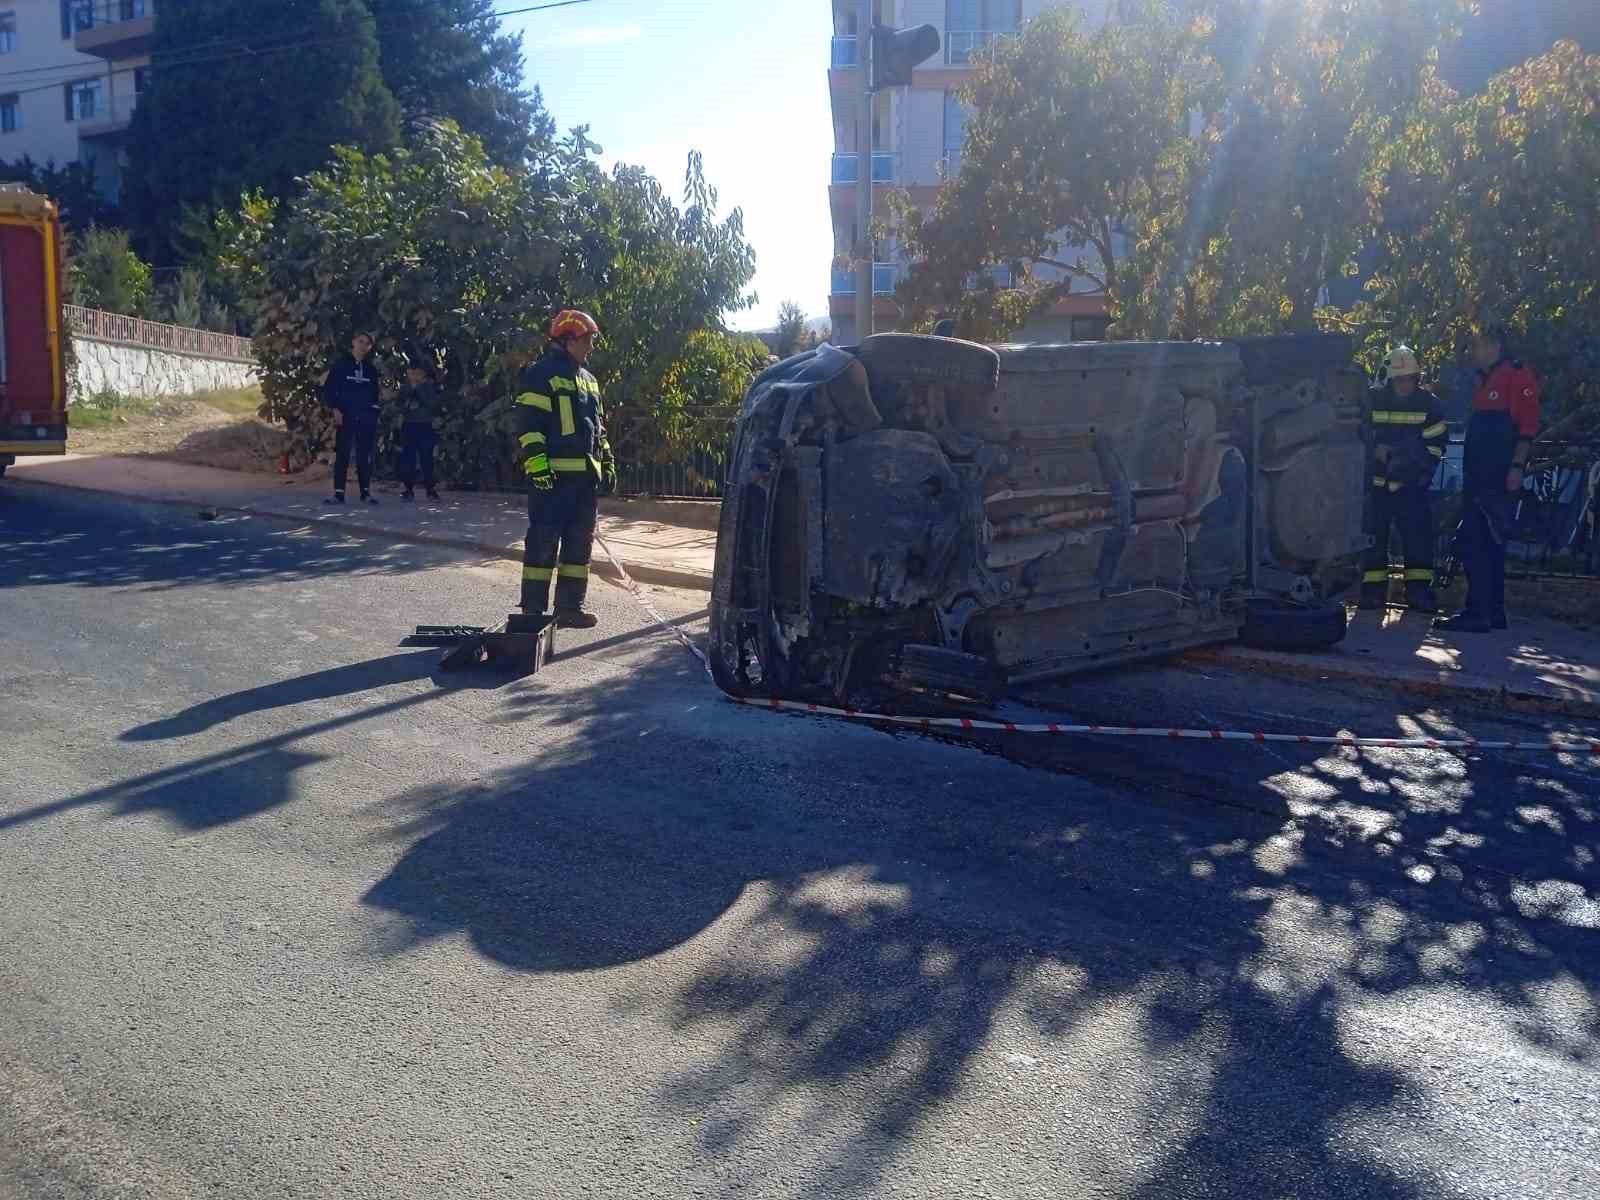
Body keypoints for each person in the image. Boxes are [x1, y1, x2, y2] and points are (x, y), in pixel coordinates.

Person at [514, 309, 617, 628]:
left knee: (578, 544)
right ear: (568, 339)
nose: (591, 346)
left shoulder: (589, 380)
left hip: (584, 480)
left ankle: (570, 607)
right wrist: (538, 467)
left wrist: (608, 462)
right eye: (587, 339)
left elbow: (598, 429)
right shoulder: (540, 374)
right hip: (553, 479)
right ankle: (532, 610)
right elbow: (530, 426)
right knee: (543, 541)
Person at [1436, 324, 1541, 633]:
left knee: (1478, 543)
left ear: (1495, 347)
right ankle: (1493, 612)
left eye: (1478, 346)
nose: (1473, 353)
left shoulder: (1517, 375)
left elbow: (1527, 427)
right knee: (1487, 543)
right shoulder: (1486, 380)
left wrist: (1517, 468)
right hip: (1479, 474)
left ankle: (1477, 612)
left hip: (1495, 476)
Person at [1360, 345, 1448, 612]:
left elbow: (1436, 445)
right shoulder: (1371, 401)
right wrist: (1375, 449)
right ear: (1389, 379)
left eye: (1409, 378)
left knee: (1418, 540)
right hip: (1376, 486)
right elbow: (1358, 434)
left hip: (1412, 486)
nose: (1405, 384)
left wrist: (1407, 460)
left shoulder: (1429, 405)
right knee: (1373, 539)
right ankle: (1373, 593)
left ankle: (1418, 592)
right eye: (1400, 379)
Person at [322, 332, 383, 505]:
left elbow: (374, 393)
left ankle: (366, 493)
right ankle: (338, 493)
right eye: (360, 341)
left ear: (370, 347)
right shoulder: (341, 365)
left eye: (367, 344)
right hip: (346, 415)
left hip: (366, 417)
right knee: (343, 454)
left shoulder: (370, 369)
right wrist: (335, 408)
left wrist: (374, 411)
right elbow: (329, 389)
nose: (363, 346)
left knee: (365, 455)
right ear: (353, 342)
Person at [394, 359, 440, 502]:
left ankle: (430, 489)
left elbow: (432, 404)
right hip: (409, 425)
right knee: (408, 458)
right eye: (411, 373)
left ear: (423, 374)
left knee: (427, 458)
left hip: (424, 425)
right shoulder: (405, 387)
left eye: (418, 373)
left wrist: (418, 388)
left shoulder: (429, 387)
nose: (414, 376)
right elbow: (399, 404)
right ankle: (408, 489)